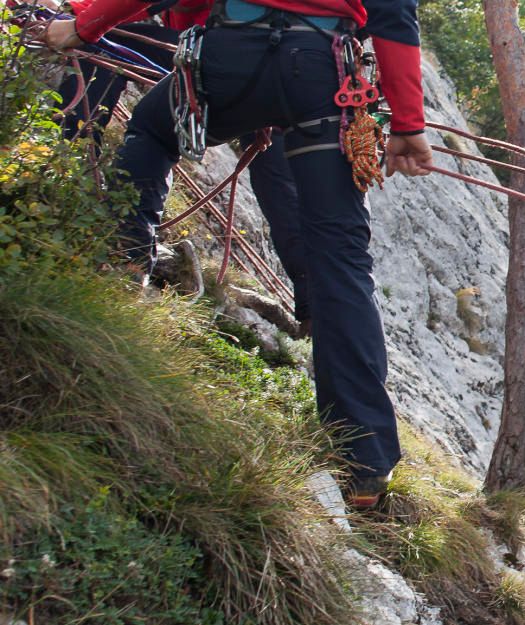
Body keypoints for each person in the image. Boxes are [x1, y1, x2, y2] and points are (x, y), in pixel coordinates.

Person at [39, 0, 434, 507]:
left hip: (229, 62)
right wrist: (408, 125)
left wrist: (82, 24)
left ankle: (124, 267)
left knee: (152, 130)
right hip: (322, 73)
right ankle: (363, 464)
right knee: (340, 260)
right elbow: (395, 18)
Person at [44, 0, 314, 328]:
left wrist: (80, 19)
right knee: (278, 181)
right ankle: (317, 302)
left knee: (107, 43)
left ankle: (71, 175)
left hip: (228, 55)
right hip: (304, 65)